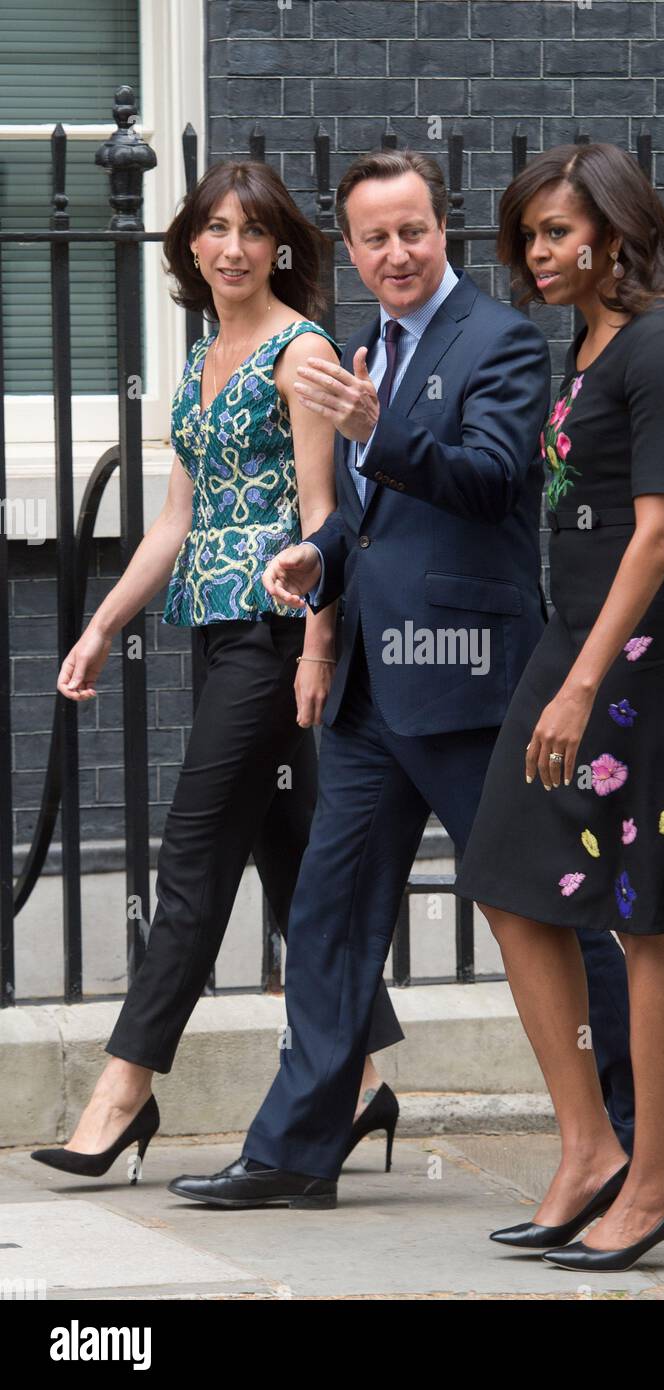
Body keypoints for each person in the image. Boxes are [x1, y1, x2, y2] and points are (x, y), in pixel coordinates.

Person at [166, 147, 664, 1213]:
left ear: (440, 230)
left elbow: (489, 476)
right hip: (371, 685)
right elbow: (365, 512)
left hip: (472, 683)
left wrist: (375, 427)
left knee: (539, 909)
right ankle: (295, 1146)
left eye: (413, 231)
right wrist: (318, 558)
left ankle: (646, 1141)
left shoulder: (498, 340)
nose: (396, 252)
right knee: (325, 909)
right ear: (353, 250)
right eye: (374, 238)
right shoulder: (366, 343)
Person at [30, 160, 401, 1184]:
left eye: (251, 230)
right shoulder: (200, 358)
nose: (231, 247)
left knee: (190, 862)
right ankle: (362, 1079)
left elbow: (326, 518)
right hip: (216, 633)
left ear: (280, 244)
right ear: (188, 246)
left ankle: (120, 1095)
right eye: (212, 229)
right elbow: (178, 520)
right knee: (291, 864)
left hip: (278, 637)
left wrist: (319, 648)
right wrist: (104, 624)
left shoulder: (301, 349)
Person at [454, 143, 664, 1272]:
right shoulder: (585, 344)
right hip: (579, 635)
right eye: (527, 236)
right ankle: (588, 1148)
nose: (534, 254)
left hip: (648, 651)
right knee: (505, 874)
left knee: (646, 916)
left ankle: (652, 1180)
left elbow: (658, 528)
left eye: (553, 233)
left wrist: (584, 678)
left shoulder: (662, 341)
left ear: (612, 228)